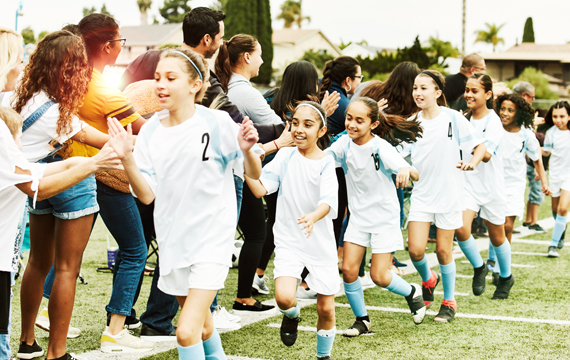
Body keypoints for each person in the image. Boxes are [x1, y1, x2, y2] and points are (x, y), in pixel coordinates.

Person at [107, 48, 261, 360]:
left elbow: (253, 173)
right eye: (158, 77)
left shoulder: (217, 123)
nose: (160, 85)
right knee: (203, 328)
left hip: (212, 241)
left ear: (195, 84)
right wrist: (126, 159)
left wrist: (246, 150)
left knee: (186, 331)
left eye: (171, 78)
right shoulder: (150, 132)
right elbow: (146, 195)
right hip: (173, 242)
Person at [8, 30, 126, 360]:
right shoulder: (56, 116)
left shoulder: (21, 95)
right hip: (66, 177)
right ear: (71, 68)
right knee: (66, 269)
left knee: (38, 261)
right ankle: (56, 353)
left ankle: (27, 341)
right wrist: (126, 139)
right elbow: (95, 137)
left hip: (34, 182)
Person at [325, 97, 425, 337]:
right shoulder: (343, 145)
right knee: (348, 271)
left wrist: (404, 169)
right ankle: (362, 320)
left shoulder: (381, 147)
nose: (352, 124)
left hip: (384, 218)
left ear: (373, 124)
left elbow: (415, 173)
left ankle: (412, 292)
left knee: (379, 276)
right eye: (349, 118)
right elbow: (322, 160)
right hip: (358, 217)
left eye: (360, 120)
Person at [246, 101, 338, 360]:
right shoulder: (285, 156)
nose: (299, 129)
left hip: (320, 245)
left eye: (308, 125)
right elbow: (261, 188)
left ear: (321, 131)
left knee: (326, 309)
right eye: (294, 123)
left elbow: (329, 201)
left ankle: (323, 356)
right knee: (284, 298)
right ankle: (292, 316)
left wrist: (313, 217)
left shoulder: (326, 162)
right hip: (289, 241)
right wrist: (245, 165)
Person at [403, 70, 486, 323]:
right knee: (416, 250)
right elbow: (399, 155)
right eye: (416, 88)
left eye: (424, 88)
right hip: (422, 195)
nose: (418, 92)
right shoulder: (412, 122)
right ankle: (429, 279)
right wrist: (403, 167)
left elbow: (480, 146)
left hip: (450, 194)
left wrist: (472, 162)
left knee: (442, 250)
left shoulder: (453, 118)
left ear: (438, 92)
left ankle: (449, 302)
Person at [255, 60, 340, 298]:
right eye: (295, 123)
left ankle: (261, 273)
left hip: (270, 164)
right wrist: (319, 112)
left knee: (278, 221)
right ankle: (299, 281)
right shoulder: (304, 111)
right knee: (286, 223)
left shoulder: (269, 98)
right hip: (281, 165)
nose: (298, 127)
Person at [454, 74, 515, 300]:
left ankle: (506, 277)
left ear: (487, 95)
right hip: (467, 185)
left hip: (491, 186)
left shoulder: (493, 121)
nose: (468, 94)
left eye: (474, 91)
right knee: (460, 228)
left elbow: (487, 155)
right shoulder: (462, 118)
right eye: (467, 90)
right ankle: (479, 267)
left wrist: (472, 159)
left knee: (497, 235)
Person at [497, 94, 550, 245]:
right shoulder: (494, 128)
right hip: (494, 181)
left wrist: (544, 183)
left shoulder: (526, 134)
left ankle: (502, 264)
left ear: (518, 113)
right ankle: (493, 258)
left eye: (510, 110)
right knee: (496, 224)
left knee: (507, 224)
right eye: (502, 109)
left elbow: (536, 158)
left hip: (514, 184)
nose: (505, 113)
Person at [513, 82, 545, 232]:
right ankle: (531, 222)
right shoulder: (518, 116)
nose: (532, 101)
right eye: (531, 97)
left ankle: (529, 221)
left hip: (520, 165)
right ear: (524, 96)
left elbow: (533, 144)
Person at [541, 101, 570, 257]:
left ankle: (553, 245)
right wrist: (534, 149)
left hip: (569, 176)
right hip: (554, 174)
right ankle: (561, 229)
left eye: (562, 116)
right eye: (555, 116)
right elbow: (546, 152)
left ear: (569, 116)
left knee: (563, 209)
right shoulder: (551, 132)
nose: (558, 120)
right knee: (555, 210)